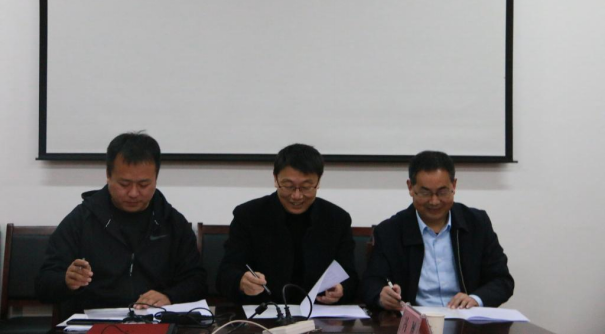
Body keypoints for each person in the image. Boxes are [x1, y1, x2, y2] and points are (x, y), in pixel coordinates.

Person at [36, 132, 207, 317]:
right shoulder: (81, 220)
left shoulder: (172, 222)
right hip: (93, 321)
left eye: (143, 185)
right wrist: (66, 281)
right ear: (108, 175)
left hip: (154, 319)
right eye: (124, 184)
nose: (133, 193)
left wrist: (169, 296)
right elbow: (43, 284)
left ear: (156, 178)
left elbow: (197, 281)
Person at [362, 150, 514, 310]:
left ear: (454, 185)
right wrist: (381, 295)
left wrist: (475, 299)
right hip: (414, 320)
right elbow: (370, 282)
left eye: (442, 192)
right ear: (410, 187)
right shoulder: (390, 231)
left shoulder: (477, 224)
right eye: (425, 192)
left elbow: (501, 280)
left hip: (464, 318)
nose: (434, 201)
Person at [217, 143, 358, 305]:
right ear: (275, 179)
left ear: (318, 182)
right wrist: (241, 282)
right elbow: (225, 274)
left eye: (306, 187)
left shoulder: (337, 219)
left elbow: (350, 277)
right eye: (288, 186)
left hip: (318, 311)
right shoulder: (248, 215)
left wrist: (341, 289)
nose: (296, 196)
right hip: (263, 310)